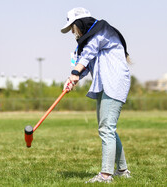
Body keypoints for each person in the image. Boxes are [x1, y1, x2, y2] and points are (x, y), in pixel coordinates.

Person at [61, 8, 131, 183]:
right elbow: (86, 63)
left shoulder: (102, 31)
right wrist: (73, 79)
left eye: (72, 27)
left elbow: (88, 53)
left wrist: (74, 72)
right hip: (103, 85)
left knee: (106, 129)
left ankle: (106, 175)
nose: (72, 31)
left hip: (113, 83)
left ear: (80, 23)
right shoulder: (89, 40)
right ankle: (122, 170)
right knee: (108, 129)